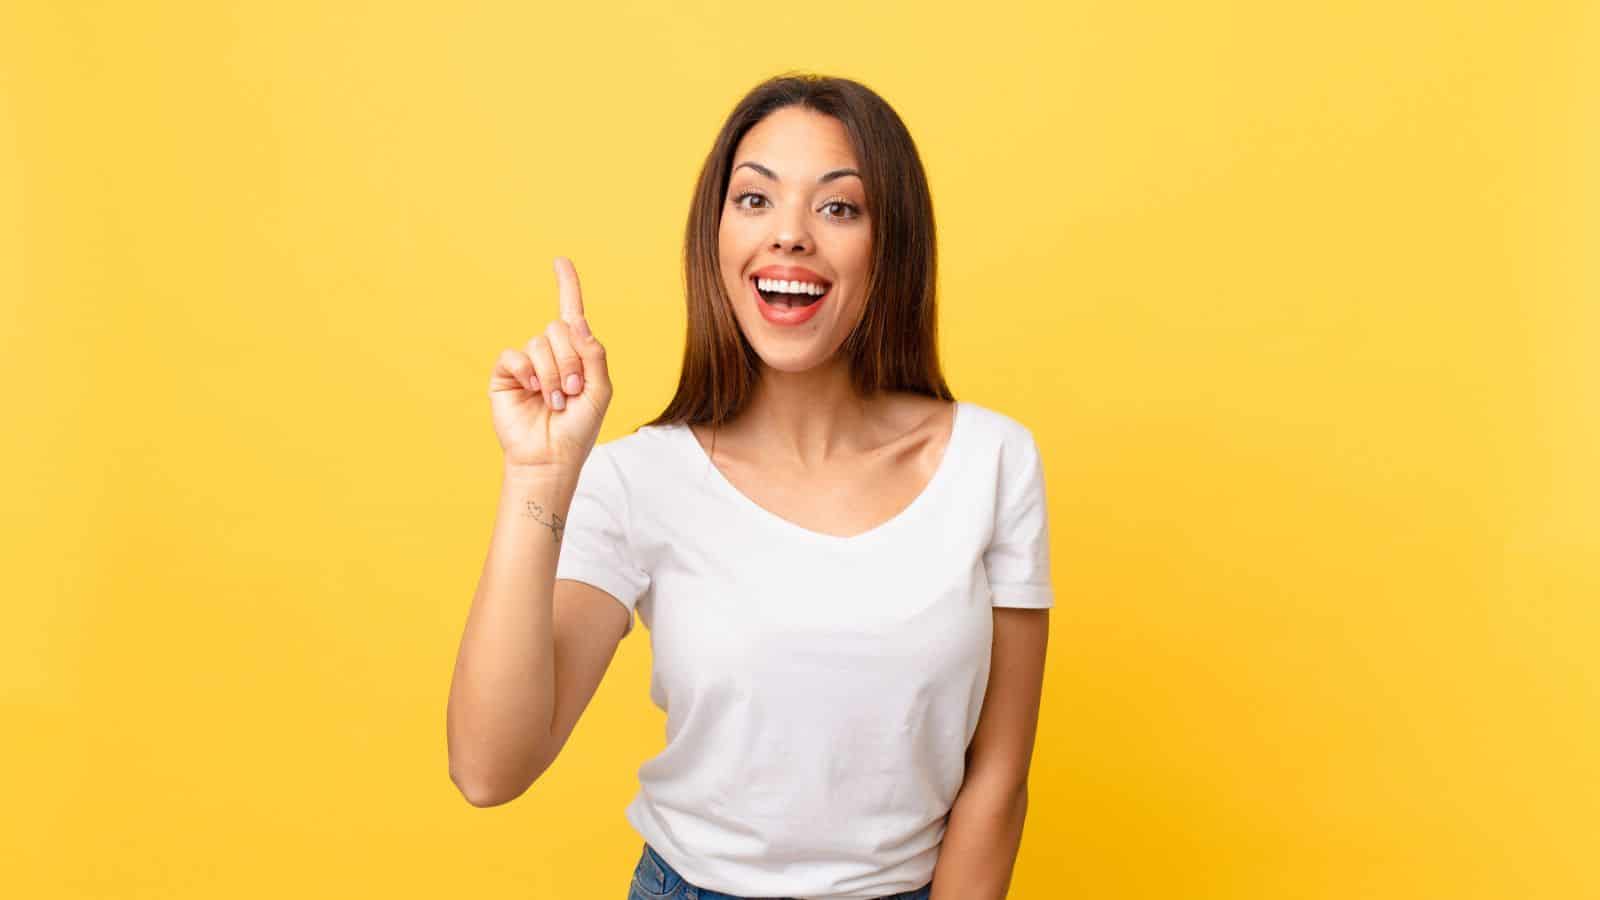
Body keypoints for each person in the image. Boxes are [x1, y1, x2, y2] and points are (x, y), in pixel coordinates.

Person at [448, 73, 1054, 900]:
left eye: (839, 207)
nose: (791, 237)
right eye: (755, 200)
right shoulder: (639, 478)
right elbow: (489, 768)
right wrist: (541, 473)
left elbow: (998, 780)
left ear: (894, 244)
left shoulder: (993, 461)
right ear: (717, 236)